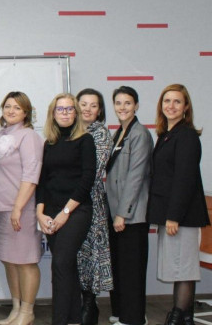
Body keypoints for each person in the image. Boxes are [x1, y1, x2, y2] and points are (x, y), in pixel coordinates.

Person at [148, 84, 209, 325]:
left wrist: (173, 216)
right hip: (172, 214)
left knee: (183, 269)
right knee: (178, 268)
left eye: (176, 101)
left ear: (186, 107)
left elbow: (184, 179)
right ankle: (184, 317)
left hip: (182, 217)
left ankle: (178, 317)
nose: (171, 106)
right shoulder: (167, 134)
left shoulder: (187, 136)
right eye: (167, 101)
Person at [36, 93, 96, 325]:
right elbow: (43, 181)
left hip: (77, 211)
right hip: (50, 212)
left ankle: (59, 321)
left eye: (70, 109)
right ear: (53, 113)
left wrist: (66, 212)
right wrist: (40, 213)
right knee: (67, 266)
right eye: (60, 109)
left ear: (76, 113)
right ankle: (73, 320)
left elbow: (87, 180)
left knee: (60, 263)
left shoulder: (85, 140)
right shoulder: (49, 143)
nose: (65, 113)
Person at [0, 92, 44, 325]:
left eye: (17, 108)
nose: (11, 111)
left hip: (21, 210)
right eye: (8, 106)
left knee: (25, 261)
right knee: (9, 261)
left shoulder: (29, 136)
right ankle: (16, 309)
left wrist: (18, 208)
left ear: (26, 112)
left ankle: (28, 312)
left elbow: (31, 175)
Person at [105, 86, 152, 325]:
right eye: (118, 103)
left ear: (136, 106)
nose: (122, 107)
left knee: (132, 269)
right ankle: (122, 313)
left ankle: (134, 319)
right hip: (116, 213)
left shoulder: (140, 134)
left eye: (127, 103)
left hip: (131, 216)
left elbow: (136, 177)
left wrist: (122, 214)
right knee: (120, 267)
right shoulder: (119, 133)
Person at [75, 88, 113, 325]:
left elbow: (93, 171)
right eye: (84, 104)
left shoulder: (101, 134)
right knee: (74, 255)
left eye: (93, 105)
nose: (87, 109)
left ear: (100, 110)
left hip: (92, 202)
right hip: (67, 202)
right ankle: (76, 303)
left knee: (91, 255)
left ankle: (90, 304)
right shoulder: (68, 130)